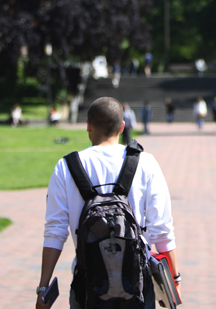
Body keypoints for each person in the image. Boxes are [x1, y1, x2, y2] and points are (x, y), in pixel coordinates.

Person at [35, 97, 179, 309]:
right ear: (122, 127)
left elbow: (55, 232)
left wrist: (43, 288)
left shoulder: (66, 167)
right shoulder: (146, 163)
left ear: (88, 126)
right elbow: (162, 231)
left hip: (88, 284)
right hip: (137, 285)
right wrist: (173, 284)